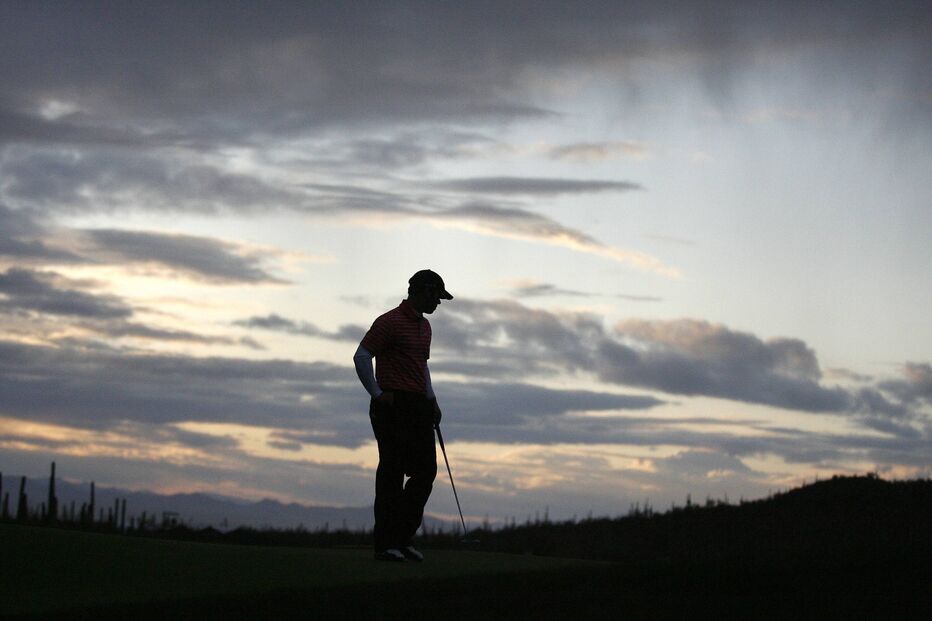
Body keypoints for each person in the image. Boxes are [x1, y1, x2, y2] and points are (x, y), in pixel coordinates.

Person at [353, 269, 453, 562]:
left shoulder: (425, 328)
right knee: (392, 473)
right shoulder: (389, 321)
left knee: (425, 472)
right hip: (392, 404)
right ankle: (385, 545)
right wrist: (377, 394)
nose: (439, 304)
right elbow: (361, 356)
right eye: (437, 297)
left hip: (418, 404)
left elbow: (421, 366)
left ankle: (401, 538)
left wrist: (431, 399)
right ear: (425, 291)